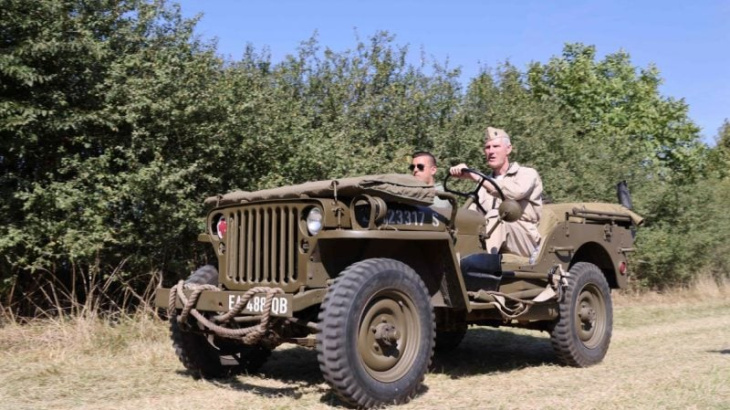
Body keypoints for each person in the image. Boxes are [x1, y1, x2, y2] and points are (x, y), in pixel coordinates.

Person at [449, 127, 543, 257]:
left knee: (495, 215)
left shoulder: (527, 173)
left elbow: (515, 193)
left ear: (508, 149)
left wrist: (476, 177)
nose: (491, 151)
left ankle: (484, 267)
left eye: (496, 146)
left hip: (525, 237)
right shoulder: (484, 184)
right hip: (493, 233)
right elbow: (472, 213)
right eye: (488, 148)